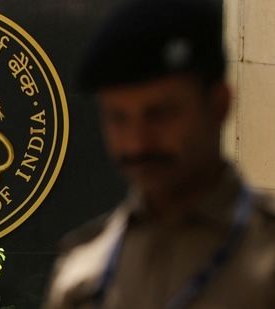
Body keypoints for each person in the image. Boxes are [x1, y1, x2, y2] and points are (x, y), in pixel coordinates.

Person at [43, 0, 275, 308]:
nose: (137, 143)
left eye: (160, 114)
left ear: (219, 104)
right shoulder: (83, 273)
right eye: (118, 117)